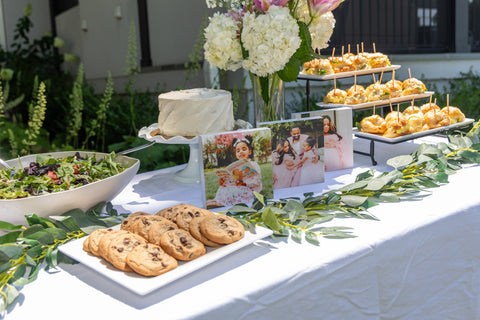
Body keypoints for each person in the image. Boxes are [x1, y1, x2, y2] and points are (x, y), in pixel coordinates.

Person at [206, 135, 262, 208]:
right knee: (224, 188)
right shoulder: (236, 166)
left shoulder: (254, 165)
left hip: (249, 190)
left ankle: (222, 203)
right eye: (238, 151)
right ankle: (217, 200)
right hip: (237, 187)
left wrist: (245, 184)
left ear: (250, 152)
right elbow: (233, 180)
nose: (241, 152)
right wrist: (224, 181)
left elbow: (257, 181)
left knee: (236, 190)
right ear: (236, 154)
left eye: (244, 149)